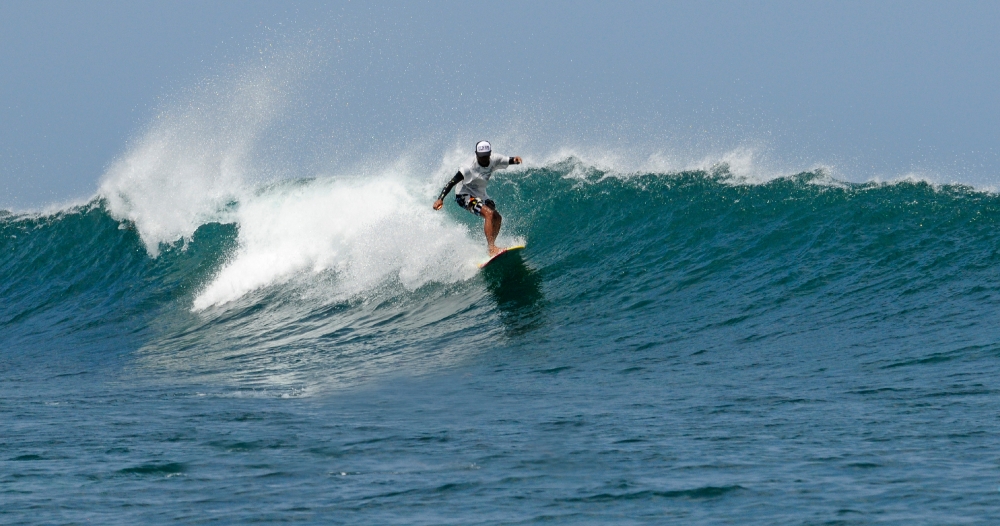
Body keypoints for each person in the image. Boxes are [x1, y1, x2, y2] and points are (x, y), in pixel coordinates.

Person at [433, 141, 522, 257]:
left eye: (486, 156)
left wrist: (515, 160)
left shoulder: (495, 159)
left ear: (490, 153)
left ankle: (492, 246)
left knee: (497, 217)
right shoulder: (467, 168)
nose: (484, 159)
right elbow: (451, 183)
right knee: (489, 214)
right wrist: (441, 198)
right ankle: (491, 248)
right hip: (463, 195)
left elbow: (509, 160)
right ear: (476, 154)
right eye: (481, 157)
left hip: (480, 195)